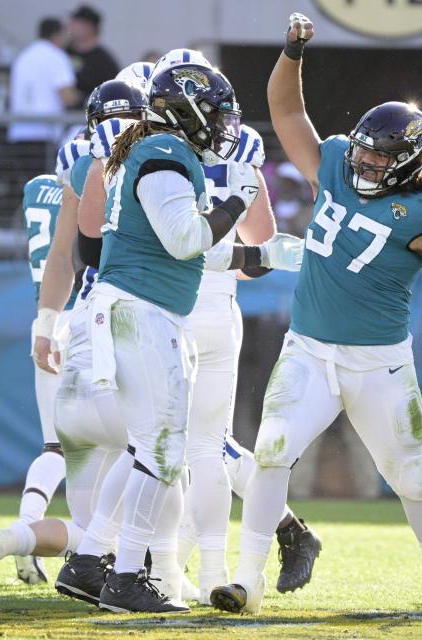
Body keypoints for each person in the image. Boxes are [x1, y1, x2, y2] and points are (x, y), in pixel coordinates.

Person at [210, 13, 422, 617]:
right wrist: (293, 52)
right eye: (365, 153)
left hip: (379, 365)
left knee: (411, 478)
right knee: (270, 454)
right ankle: (247, 580)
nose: (366, 165)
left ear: (408, 162)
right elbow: (289, 114)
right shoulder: (338, 166)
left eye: (379, 159)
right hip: (310, 351)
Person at [83, 63, 302, 614]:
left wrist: (261, 254)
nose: (226, 123)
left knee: (158, 452)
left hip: (137, 308)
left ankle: (120, 570)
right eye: (219, 111)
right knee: (159, 453)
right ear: (189, 109)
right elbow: (184, 241)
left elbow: (184, 250)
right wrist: (239, 202)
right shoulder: (163, 153)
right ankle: (125, 574)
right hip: (141, 312)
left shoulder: (157, 151)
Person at [0, 83, 144, 602]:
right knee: (150, 460)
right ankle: (161, 570)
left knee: (62, 454)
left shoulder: (67, 163)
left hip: (60, 316)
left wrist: (44, 324)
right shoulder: (122, 165)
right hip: (112, 321)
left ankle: (12, 537)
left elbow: (61, 255)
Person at [7, 17, 78, 143]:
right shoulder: (57, 56)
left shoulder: (23, 57)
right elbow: (68, 97)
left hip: (18, 132)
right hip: (45, 134)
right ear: (57, 35)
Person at [66, 5, 120, 100]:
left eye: (77, 22)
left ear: (90, 27)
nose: (71, 25)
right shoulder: (62, 53)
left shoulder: (105, 62)